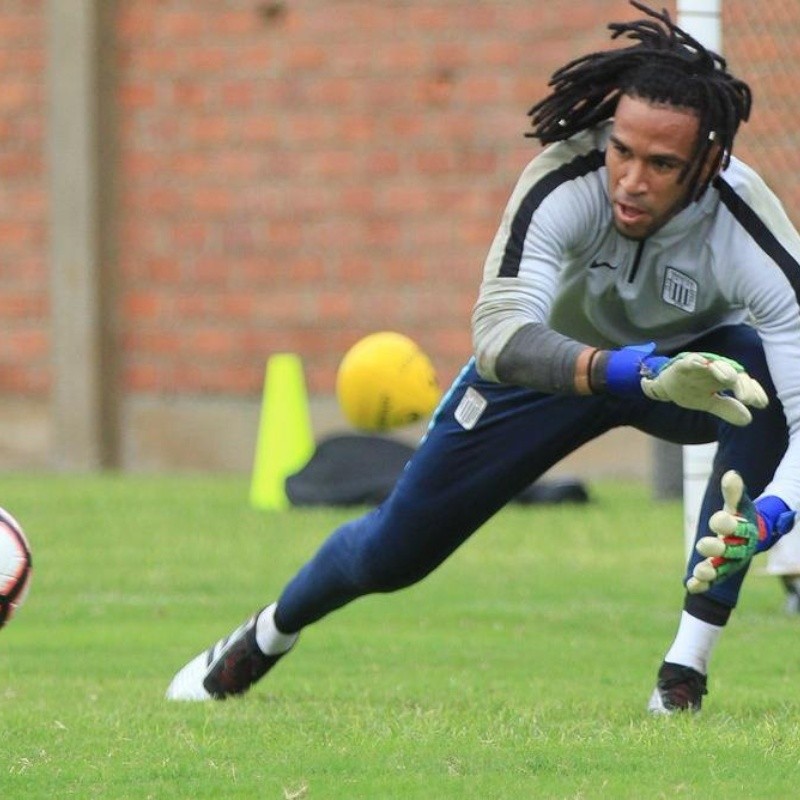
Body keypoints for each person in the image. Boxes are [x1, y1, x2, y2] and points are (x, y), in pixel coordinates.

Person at [166, 1, 800, 713]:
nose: (629, 179)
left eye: (661, 164)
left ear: (708, 163)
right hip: (552, 368)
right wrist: (638, 371)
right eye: (622, 150)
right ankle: (267, 633)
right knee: (392, 554)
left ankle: (683, 673)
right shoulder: (565, 178)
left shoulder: (746, 225)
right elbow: (499, 339)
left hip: (692, 374)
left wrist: (773, 516)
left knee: (763, 383)